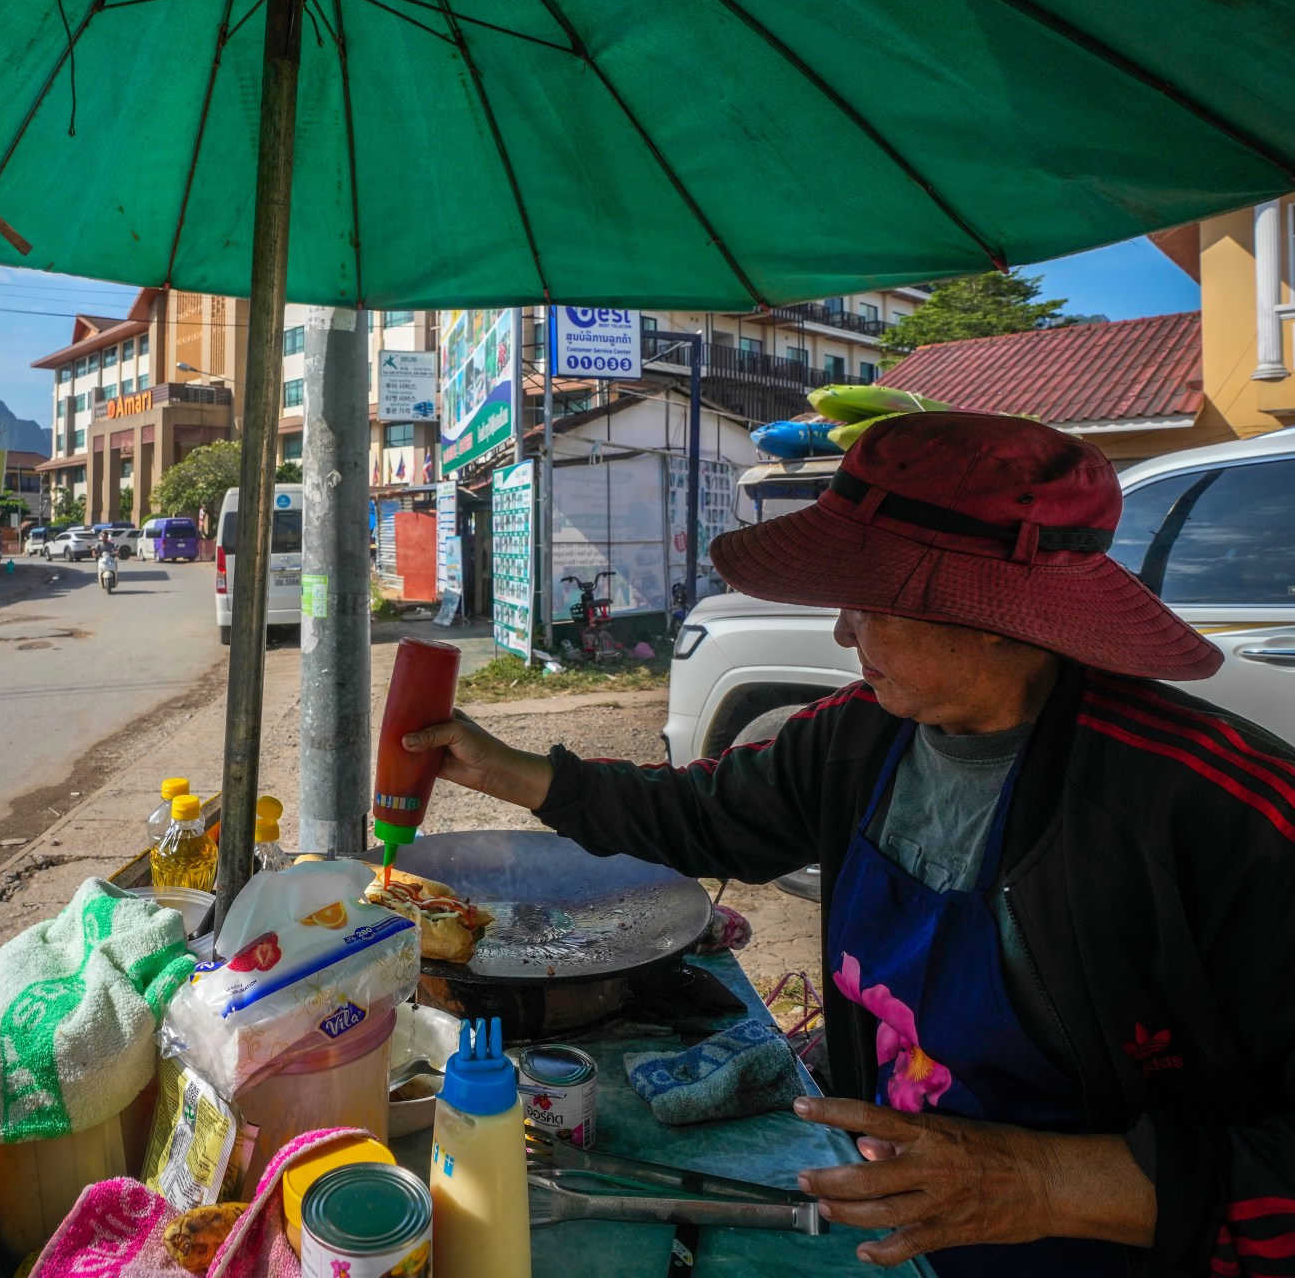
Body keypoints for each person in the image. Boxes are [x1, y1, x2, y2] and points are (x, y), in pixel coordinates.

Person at [405, 413, 1295, 1277]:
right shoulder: (864, 734)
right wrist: (501, 770)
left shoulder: (1220, 814)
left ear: (995, 614)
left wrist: (1048, 1182)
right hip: (896, 1227)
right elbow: (704, 814)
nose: (841, 631)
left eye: (869, 602)